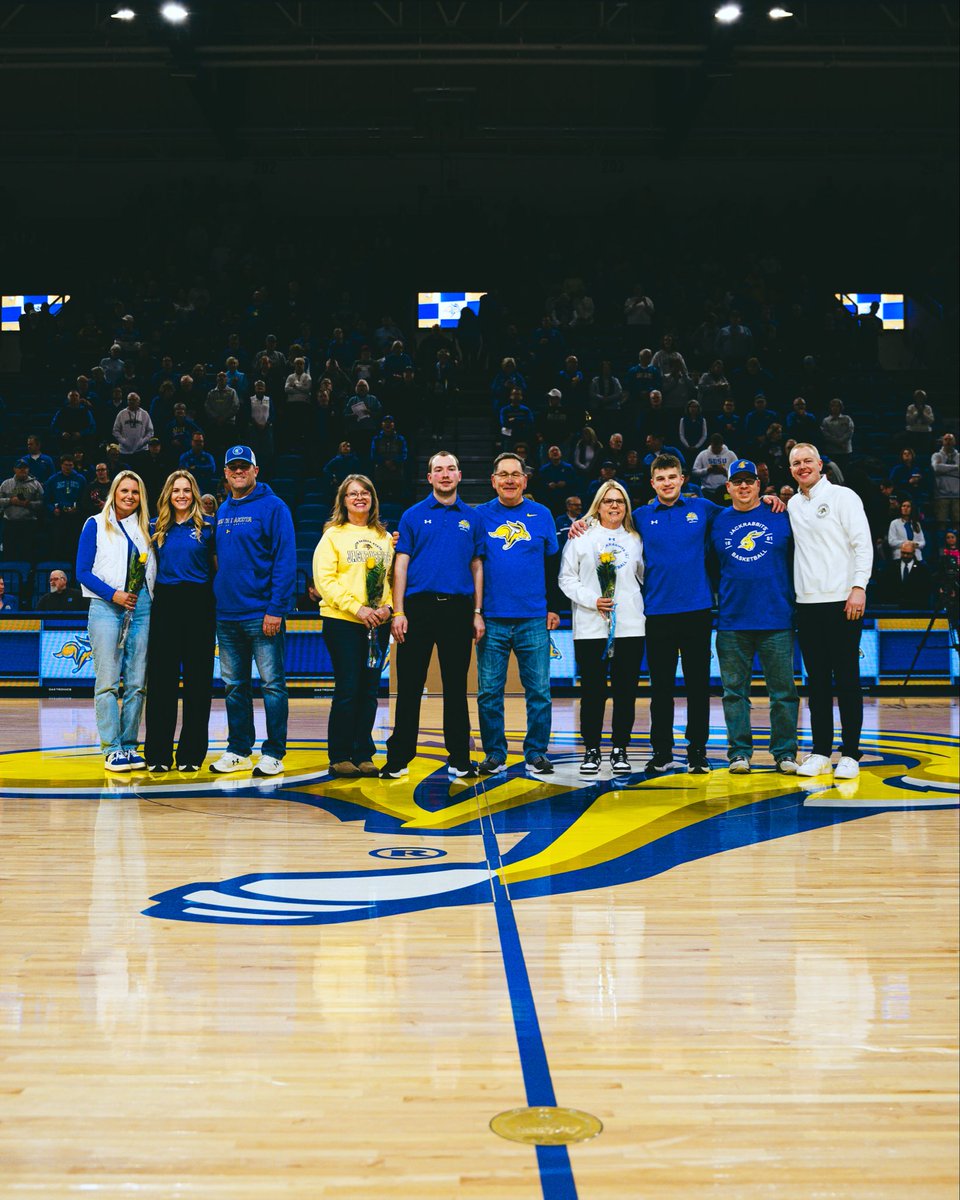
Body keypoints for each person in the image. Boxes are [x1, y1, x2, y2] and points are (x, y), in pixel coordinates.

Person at [382, 451, 485, 779]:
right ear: (429, 478)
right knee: (409, 687)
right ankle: (399, 758)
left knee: (456, 688)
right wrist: (398, 611)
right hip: (417, 609)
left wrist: (477, 611)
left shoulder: (472, 517)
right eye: (438, 469)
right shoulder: (412, 516)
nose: (444, 474)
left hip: (458, 609)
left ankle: (459, 757)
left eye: (451, 469)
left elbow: (477, 565)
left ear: (459, 476)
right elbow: (401, 565)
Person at [787, 442, 873, 780]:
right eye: (796, 463)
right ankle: (821, 751)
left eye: (808, 461)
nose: (803, 466)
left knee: (848, 680)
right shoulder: (792, 504)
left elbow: (862, 545)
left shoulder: (844, 497)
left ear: (820, 464)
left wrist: (859, 587)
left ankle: (850, 753)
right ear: (790, 469)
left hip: (843, 601)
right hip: (807, 605)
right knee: (817, 683)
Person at [211, 445, 296, 777]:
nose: (238, 471)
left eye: (244, 466)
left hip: (263, 614)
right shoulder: (221, 510)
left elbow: (285, 560)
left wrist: (276, 608)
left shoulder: (275, 507)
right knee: (234, 686)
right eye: (232, 467)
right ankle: (238, 749)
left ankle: (274, 752)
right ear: (226, 473)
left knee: (272, 685)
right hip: (227, 615)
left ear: (256, 470)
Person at [710, 460, 799, 774]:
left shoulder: (782, 515)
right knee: (734, 693)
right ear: (728, 488)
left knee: (784, 692)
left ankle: (785, 752)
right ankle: (739, 753)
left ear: (760, 486)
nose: (744, 487)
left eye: (750, 481)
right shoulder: (717, 520)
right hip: (733, 620)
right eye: (738, 482)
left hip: (777, 618)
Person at [474, 452, 560, 776]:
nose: (510, 480)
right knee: (489, 693)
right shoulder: (479, 516)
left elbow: (552, 566)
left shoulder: (543, 515)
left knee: (539, 691)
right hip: (492, 618)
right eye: (503, 474)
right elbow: (471, 565)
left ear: (525, 480)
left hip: (534, 618)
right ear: (493, 481)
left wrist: (553, 607)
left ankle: (536, 752)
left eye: (516, 474)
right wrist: (476, 612)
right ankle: (495, 754)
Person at [559, 479, 645, 775]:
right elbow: (566, 579)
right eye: (608, 500)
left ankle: (620, 748)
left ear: (626, 506)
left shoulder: (635, 538)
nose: (614, 506)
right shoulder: (581, 537)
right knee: (592, 693)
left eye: (619, 501)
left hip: (630, 627)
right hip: (590, 627)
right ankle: (592, 750)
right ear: (598, 504)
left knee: (626, 692)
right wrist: (592, 599)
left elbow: (644, 577)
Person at [312, 475, 394, 777]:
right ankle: (340, 755)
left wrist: (387, 609)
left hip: (377, 624)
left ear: (372, 498)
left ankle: (364, 753)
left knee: (370, 691)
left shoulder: (384, 537)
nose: (359, 498)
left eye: (364, 493)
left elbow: (390, 580)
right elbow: (325, 583)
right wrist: (357, 608)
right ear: (343, 501)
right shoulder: (333, 535)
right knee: (348, 688)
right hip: (343, 622)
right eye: (352, 494)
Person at [75, 470, 156, 772]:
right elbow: (82, 571)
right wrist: (114, 595)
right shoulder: (94, 524)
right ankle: (111, 749)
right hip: (106, 607)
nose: (129, 496)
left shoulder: (147, 528)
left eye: (135, 492)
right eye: (124, 490)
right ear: (113, 492)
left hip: (142, 607)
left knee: (136, 682)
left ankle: (130, 745)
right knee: (108, 682)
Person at [143, 472, 216, 773]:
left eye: (187, 490)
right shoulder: (155, 528)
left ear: (195, 494)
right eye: (176, 490)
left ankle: (191, 754)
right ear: (168, 495)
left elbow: (218, 569)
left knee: (199, 683)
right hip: (165, 605)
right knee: (161, 683)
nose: (182, 495)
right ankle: (157, 754)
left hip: (200, 604)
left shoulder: (209, 528)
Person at [0, 458, 44, 562]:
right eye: (20, 468)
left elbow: (42, 504)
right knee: (9, 553)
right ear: (15, 469)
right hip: (10, 524)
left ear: (28, 469)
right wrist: (10, 501)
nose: (22, 470)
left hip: (28, 524)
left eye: (25, 468)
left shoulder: (36, 484)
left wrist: (28, 504)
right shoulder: (6, 484)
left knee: (27, 553)